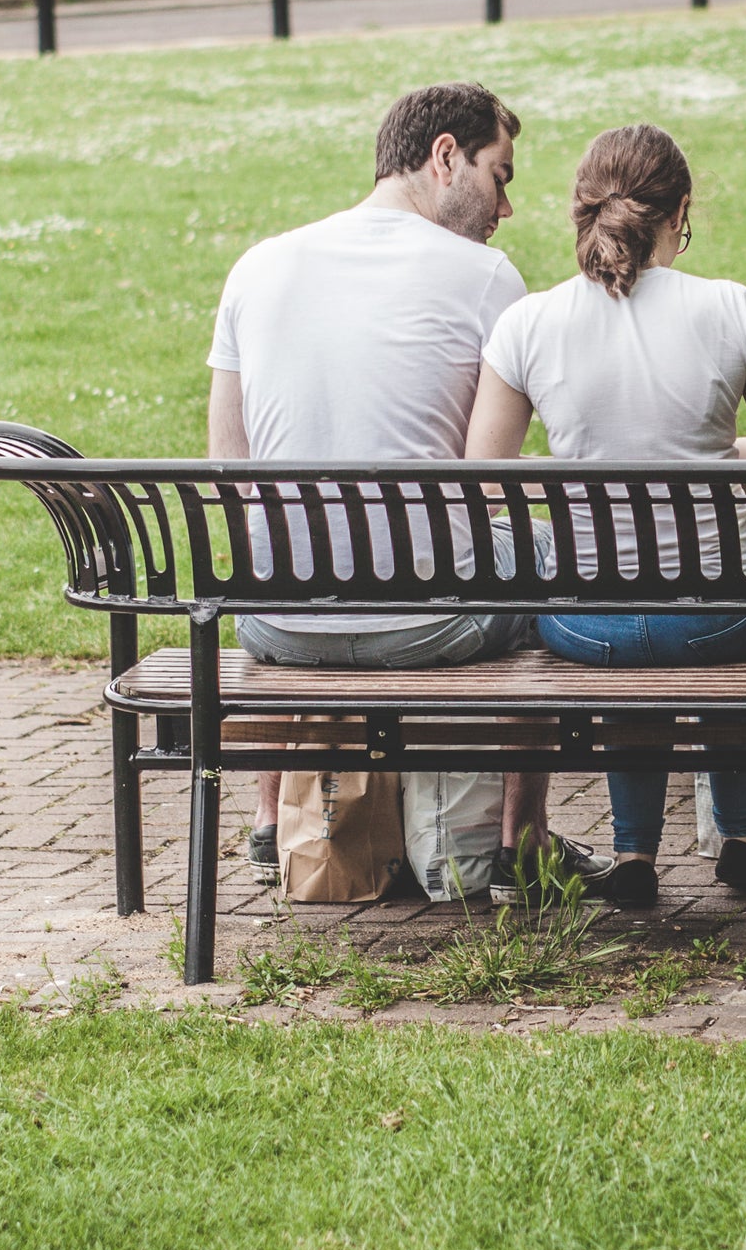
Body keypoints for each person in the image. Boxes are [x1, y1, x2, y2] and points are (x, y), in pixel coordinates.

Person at [206, 81, 607, 896]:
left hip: (277, 623)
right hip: (431, 621)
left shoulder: (258, 266)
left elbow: (231, 467)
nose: (505, 205)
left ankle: (266, 821)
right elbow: (489, 476)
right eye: (500, 176)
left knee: (283, 543)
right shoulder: (486, 276)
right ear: (445, 157)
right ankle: (518, 843)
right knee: (545, 563)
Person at [464, 122, 746, 908]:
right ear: (680, 209)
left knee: (630, 646)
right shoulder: (733, 309)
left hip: (591, 625)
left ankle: (634, 851)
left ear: (582, 211)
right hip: (730, 621)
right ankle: (739, 836)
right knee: (733, 628)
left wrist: (573, 483)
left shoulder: (529, 323)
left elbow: (485, 481)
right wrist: (735, 462)